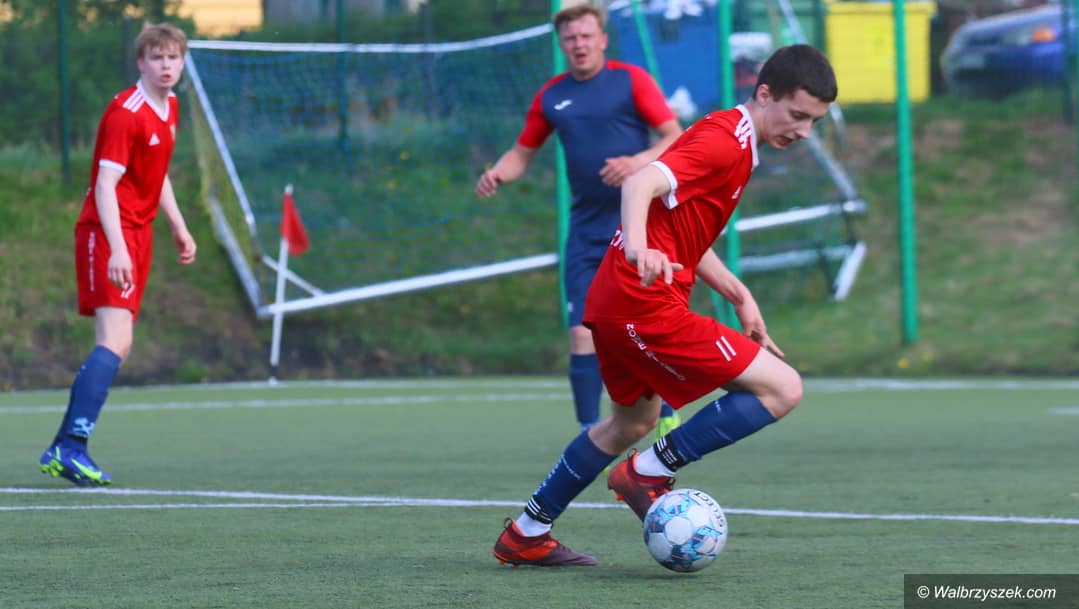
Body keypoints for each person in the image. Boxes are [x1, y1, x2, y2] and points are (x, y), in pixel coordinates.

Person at [492, 44, 838, 566]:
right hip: (643, 305)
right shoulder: (725, 142)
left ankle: (526, 532)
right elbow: (640, 181)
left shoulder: (737, 141)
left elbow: (684, 230)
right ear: (765, 94)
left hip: (617, 301)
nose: (804, 131)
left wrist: (739, 295)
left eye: (814, 121)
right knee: (782, 388)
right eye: (798, 115)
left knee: (630, 423)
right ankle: (647, 472)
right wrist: (637, 247)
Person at [475, 4, 684, 435]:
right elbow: (522, 153)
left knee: (644, 328)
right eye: (571, 38)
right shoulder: (552, 96)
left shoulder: (630, 80)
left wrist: (637, 163)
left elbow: (674, 136)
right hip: (586, 233)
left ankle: (666, 418)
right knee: (582, 333)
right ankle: (590, 435)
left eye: (586, 36)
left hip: (638, 227)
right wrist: (498, 173)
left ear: (602, 40)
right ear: (561, 45)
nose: (579, 45)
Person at [38, 23, 196, 486]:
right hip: (108, 231)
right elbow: (105, 185)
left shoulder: (170, 107)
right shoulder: (126, 113)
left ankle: (66, 446)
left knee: (118, 343)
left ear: (182, 62)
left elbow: (156, 175)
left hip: (138, 232)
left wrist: (179, 226)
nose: (166, 65)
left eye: (173, 57)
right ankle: (70, 446)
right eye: (157, 57)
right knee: (114, 339)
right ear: (140, 62)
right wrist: (118, 248)